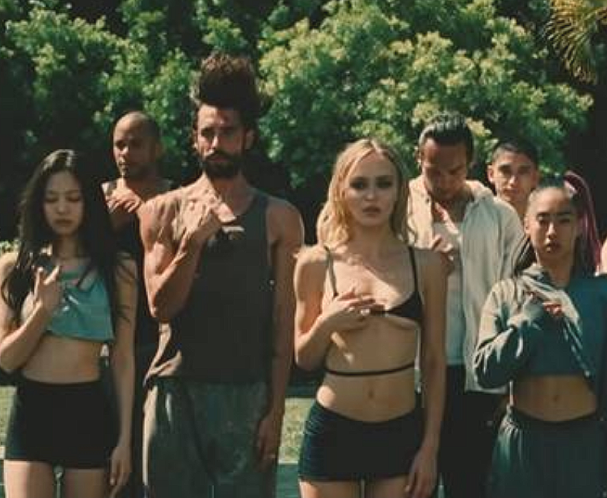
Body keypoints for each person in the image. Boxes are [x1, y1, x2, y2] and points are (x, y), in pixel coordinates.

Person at [139, 53, 304, 498]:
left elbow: (283, 323)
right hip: (174, 388)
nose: (216, 142)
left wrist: (276, 411)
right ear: (194, 139)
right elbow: (160, 307)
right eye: (207, 133)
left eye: (227, 132)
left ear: (247, 137)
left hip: (246, 392)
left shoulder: (280, 218)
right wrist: (191, 243)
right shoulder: (161, 211)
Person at [294, 138, 447, 498]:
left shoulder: (427, 265)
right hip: (333, 430)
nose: (372, 196)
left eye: (383, 183)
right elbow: (304, 358)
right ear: (341, 191)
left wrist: (430, 447)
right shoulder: (315, 263)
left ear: (399, 191)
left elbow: (434, 362)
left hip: (401, 432)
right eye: (360, 184)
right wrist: (327, 323)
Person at [0, 149, 137, 498]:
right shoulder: (15, 266)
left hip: (87, 409)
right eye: (51, 199)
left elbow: (122, 358)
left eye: (73, 198)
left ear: (89, 202)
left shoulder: (119, 269)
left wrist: (124, 440)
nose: (62, 209)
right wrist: (42, 312)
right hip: (32, 410)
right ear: (38, 204)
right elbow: (6, 359)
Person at [474, 181, 607, 498]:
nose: (552, 231)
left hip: (582, 445)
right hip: (523, 444)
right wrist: (528, 321)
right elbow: (485, 372)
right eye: (542, 220)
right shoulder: (506, 293)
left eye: (564, 220)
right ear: (526, 225)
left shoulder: (605, 296)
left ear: (579, 226)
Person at [406, 112, 524, 498]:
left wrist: (509, 381)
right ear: (418, 159)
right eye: (433, 171)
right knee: (411, 487)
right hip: (412, 373)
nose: (444, 181)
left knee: (470, 486)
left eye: (454, 171)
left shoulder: (500, 215)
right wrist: (423, 268)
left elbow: (515, 297)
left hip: (477, 376)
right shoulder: (398, 208)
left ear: (470, 163)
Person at [102, 110, 171, 498]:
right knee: (109, 465)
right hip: (106, 347)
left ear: (157, 148)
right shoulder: (98, 199)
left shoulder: (177, 199)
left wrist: (149, 217)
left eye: (135, 144)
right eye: (119, 145)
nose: (125, 153)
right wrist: (105, 228)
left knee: (154, 462)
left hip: (160, 346)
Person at [486, 138, 540, 221]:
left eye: (522, 172)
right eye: (506, 171)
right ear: (491, 174)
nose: (513, 182)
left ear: (535, 178)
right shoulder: (473, 221)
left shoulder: (548, 226)